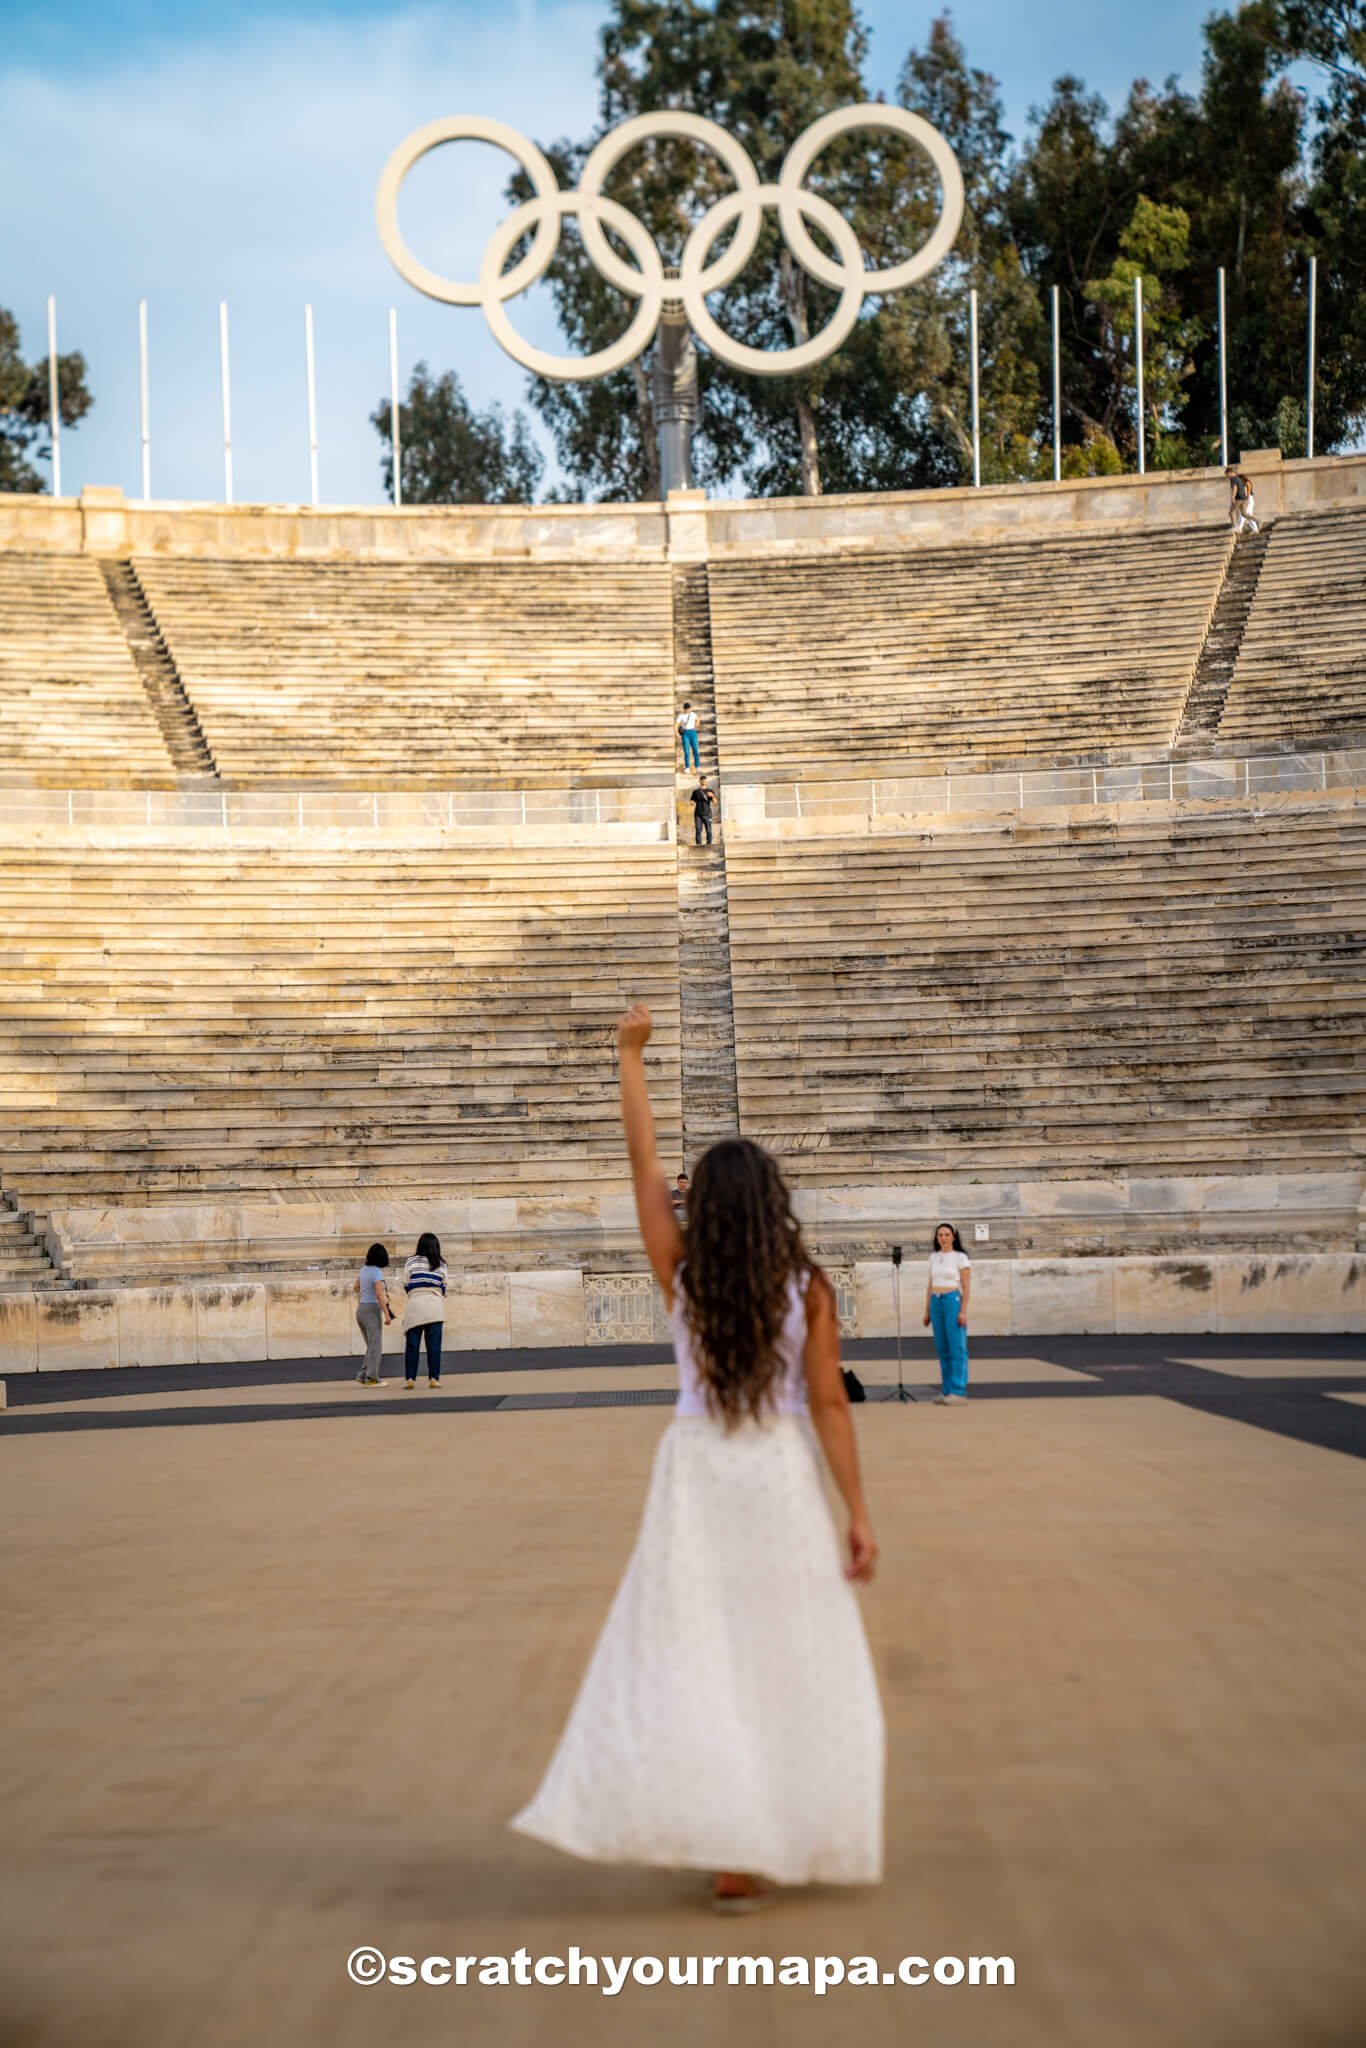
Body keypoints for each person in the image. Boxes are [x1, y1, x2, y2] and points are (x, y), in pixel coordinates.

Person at [511, 1003, 884, 1911]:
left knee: (696, 1647)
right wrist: (859, 1514)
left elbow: (643, 1171)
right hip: (776, 1471)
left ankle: (728, 1844)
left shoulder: (683, 1274)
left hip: (696, 1472)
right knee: (781, 1647)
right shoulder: (809, 1287)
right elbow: (830, 1405)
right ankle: (769, 1825)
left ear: (704, 1208)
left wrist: (630, 1059)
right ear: (775, 1207)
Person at [922, 1223, 971, 1405]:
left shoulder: (960, 1257)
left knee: (957, 1347)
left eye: (947, 1234)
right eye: (940, 1235)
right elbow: (930, 1284)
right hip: (936, 1301)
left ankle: (958, 1391)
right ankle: (947, 1389)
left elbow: (966, 1286)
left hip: (952, 1300)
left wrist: (963, 1311)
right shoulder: (933, 1257)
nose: (943, 1238)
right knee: (942, 1348)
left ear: (954, 1237)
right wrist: (927, 1310)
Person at [402, 1231, 448, 1387]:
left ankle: (410, 1379)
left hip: (415, 1306)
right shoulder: (441, 1264)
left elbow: (406, 1284)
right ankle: (434, 1379)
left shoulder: (411, 1262)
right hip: (435, 1307)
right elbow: (443, 1287)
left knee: (412, 1345)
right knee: (434, 1346)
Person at [354, 1243, 393, 1385]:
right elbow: (379, 1294)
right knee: (376, 1346)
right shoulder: (377, 1272)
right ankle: (372, 1378)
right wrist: (387, 1314)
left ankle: (363, 1374)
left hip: (361, 1310)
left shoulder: (363, 1270)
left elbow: (356, 1287)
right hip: (371, 1310)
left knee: (371, 1345)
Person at [1226, 465, 1261, 536]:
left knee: (1232, 512)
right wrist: (1245, 498)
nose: (1227, 476)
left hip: (1239, 498)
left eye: (1227, 474)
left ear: (1230, 472)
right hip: (1243, 498)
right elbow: (1244, 489)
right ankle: (1258, 520)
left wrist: (1233, 496)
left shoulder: (1233, 479)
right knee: (1244, 514)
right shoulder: (1239, 479)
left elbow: (1235, 488)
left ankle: (1236, 528)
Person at [690, 776, 717, 846]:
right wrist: (692, 802)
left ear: (706, 782)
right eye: (702, 780)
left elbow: (715, 802)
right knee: (698, 830)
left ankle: (709, 844)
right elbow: (692, 800)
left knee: (709, 830)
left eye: (704, 780)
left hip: (707, 813)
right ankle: (698, 844)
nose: (703, 781)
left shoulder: (710, 791)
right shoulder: (696, 792)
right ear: (699, 781)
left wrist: (712, 796)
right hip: (698, 814)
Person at [677, 702, 700, 771]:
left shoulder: (693, 714)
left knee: (695, 750)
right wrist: (677, 734)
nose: (687, 710)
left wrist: (696, 725)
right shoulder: (681, 716)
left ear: (690, 708)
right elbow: (676, 725)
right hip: (685, 733)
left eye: (688, 709)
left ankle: (697, 766)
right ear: (684, 709)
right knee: (686, 751)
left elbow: (698, 720)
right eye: (686, 709)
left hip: (693, 732)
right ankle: (687, 767)